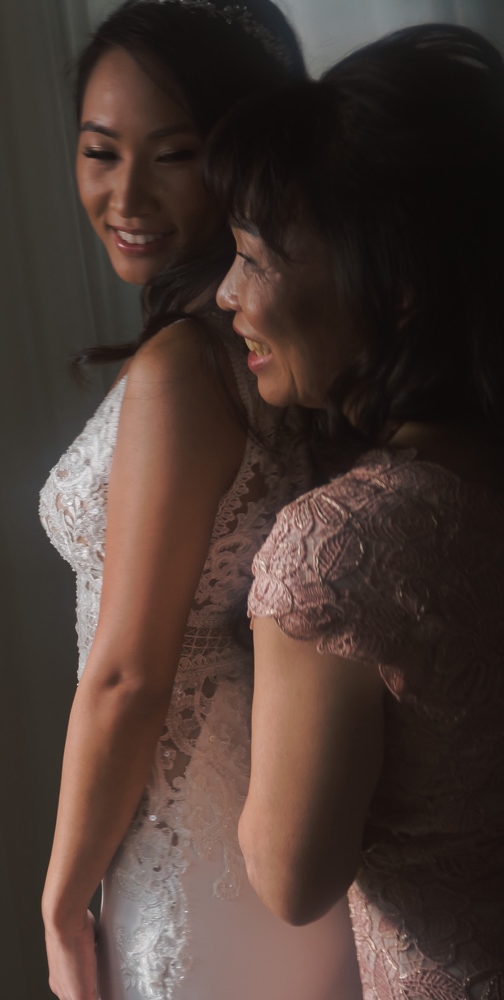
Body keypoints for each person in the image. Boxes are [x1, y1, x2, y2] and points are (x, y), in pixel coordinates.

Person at [38, 2, 361, 998]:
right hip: (265, 826)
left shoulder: (186, 365)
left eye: (172, 154)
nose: (126, 192)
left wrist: (61, 899)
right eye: (100, 151)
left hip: (196, 843)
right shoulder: (281, 348)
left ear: (241, 153)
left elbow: (129, 673)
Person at [209, 25, 504, 999]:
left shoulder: (339, 550)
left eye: (255, 257)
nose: (227, 294)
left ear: (400, 289)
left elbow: (291, 878)